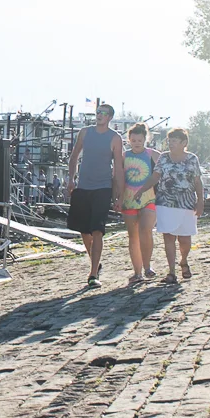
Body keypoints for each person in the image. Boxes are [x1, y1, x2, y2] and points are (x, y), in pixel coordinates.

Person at [67, 102, 125, 289]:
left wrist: (118, 195)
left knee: (97, 229)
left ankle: (93, 274)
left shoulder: (115, 138)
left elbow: (118, 167)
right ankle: (96, 262)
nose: (99, 115)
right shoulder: (85, 132)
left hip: (103, 187)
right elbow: (74, 156)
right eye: (98, 112)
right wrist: (70, 179)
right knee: (85, 231)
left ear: (109, 117)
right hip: (83, 186)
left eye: (103, 113)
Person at [155, 127, 204, 283]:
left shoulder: (192, 159)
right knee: (168, 236)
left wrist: (200, 200)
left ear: (184, 143)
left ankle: (183, 260)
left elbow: (197, 181)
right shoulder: (163, 158)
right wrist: (141, 190)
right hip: (165, 201)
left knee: (184, 239)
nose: (171, 144)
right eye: (169, 141)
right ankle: (171, 272)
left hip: (187, 202)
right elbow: (155, 176)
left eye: (174, 141)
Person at [121, 122, 159, 284]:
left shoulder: (153, 155)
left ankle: (147, 266)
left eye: (140, 140)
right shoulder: (124, 156)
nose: (137, 143)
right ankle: (137, 273)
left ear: (145, 139)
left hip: (149, 198)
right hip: (129, 199)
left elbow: (163, 174)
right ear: (129, 140)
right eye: (134, 140)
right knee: (133, 236)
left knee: (145, 230)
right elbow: (118, 177)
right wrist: (118, 198)